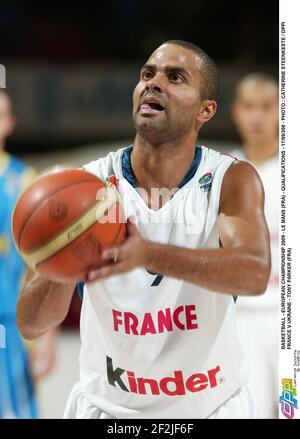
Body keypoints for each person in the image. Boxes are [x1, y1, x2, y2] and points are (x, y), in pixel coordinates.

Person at [16, 40, 271, 419]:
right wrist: (65, 259)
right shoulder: (88, 186)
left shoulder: (229, 179)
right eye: (147, 74)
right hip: (108, 408)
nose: (154, 83)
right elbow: (31, 323)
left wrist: (148, 254)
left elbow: (254, 274)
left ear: (206, 110)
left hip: (210, 407)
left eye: (176, 77)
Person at [0, 89, 56, 418]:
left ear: (9, 123)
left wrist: (45, 337)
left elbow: (44, 262)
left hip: (10, 326)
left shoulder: (25, 181)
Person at [230, 73, 279, 418]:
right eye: (249, 107)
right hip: (240, 317)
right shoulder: (223, 172)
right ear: (236, 112)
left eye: (267, 106)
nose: (258, 116)